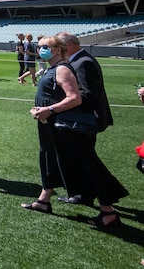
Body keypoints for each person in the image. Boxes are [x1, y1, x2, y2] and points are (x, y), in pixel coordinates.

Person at [21, 35, 128, 227]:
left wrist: (49, 109)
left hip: (62, 127)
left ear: (56, 50)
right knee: (49, 158)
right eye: (38, 47)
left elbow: (75, 98)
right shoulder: (54, 68)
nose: (39, 50)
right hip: (50, 124)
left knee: (84, 165)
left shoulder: (62, 69)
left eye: (43, 47)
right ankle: (44, 200)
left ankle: (108, 211)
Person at [53, 32, 127, 214]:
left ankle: (107, 195)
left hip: (84, 121)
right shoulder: (80, 60)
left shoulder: (83, 62)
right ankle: (85, 194)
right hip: (82, 120)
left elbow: (87, 94)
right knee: (83, 159)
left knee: (87, 160)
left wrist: (65, 100)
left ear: (68, 46)